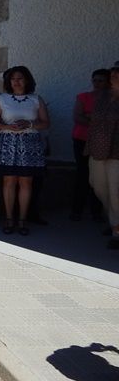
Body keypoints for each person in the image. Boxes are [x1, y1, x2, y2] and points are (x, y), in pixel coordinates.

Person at [0, 66, 50, 236]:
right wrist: (8, 127)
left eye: (20, 78)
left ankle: (22, 219)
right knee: (8, 181)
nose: (16, 82)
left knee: (26, 182)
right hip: (8, 143)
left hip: (29, 144)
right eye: (13, 79)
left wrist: (30, 124)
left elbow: (46, 122)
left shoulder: (36, 99)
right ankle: (9, 218)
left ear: (27, 80)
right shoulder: (2, 99)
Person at [86, 62, 119, 248]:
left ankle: (117, 229)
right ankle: (113, 219)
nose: (114, 75)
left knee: (116, 191)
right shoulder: (102, 96)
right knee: (98, 186)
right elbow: (93, 121)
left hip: (116, 151)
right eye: (113, 72)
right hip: (98, 148)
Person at [71, 69, 110, 221]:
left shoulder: (112, 99)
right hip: (82, 139)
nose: (97, 83)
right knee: (82, 174)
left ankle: (96, 211)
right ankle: (77, 210)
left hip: (103, 141)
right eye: (95, 80)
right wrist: (97, 120)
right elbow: (77, 117)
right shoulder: (84, 97)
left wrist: (90, 117)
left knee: (99, 176)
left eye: (101, 80)